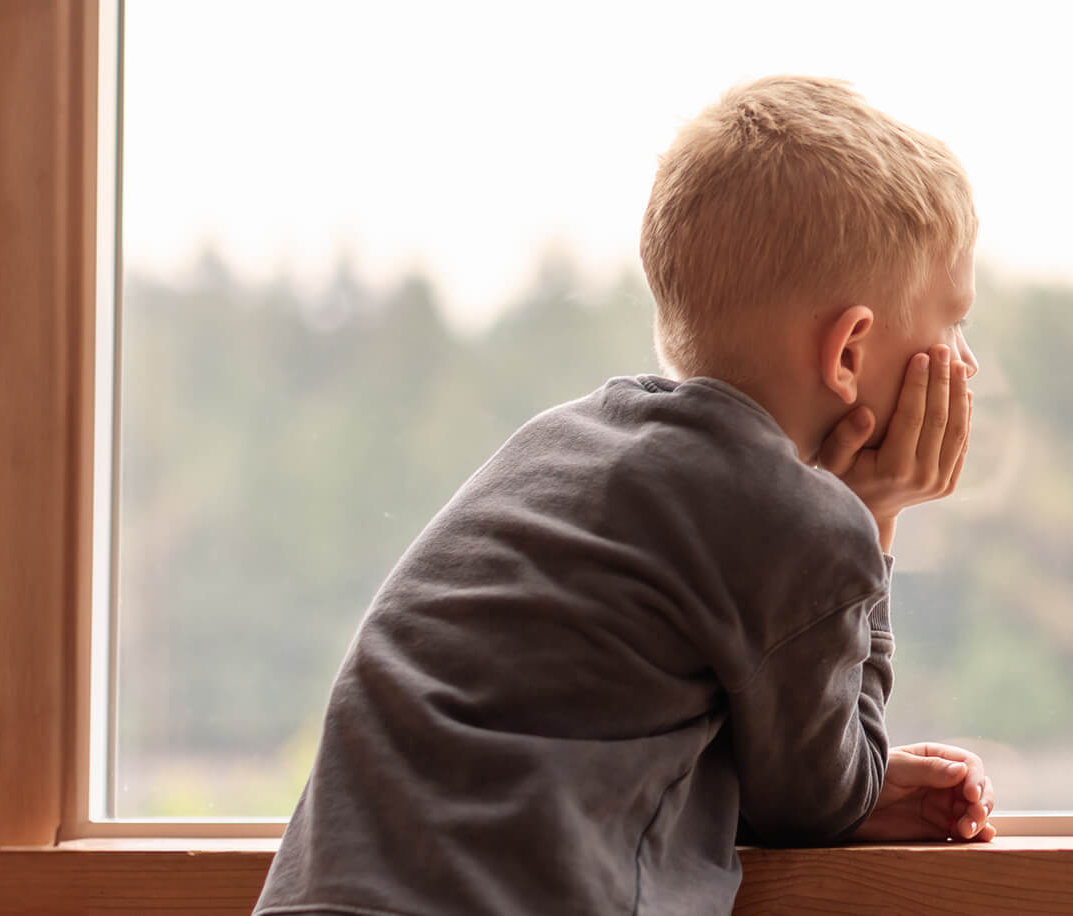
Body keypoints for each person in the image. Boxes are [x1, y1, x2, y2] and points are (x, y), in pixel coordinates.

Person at [256, 76, 996, 915]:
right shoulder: (797, 520)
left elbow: (601, 752)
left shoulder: (556, 448)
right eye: (953, 321)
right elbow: (817, 803)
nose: (964, 363)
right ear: (850, 354)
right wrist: (871, 518)